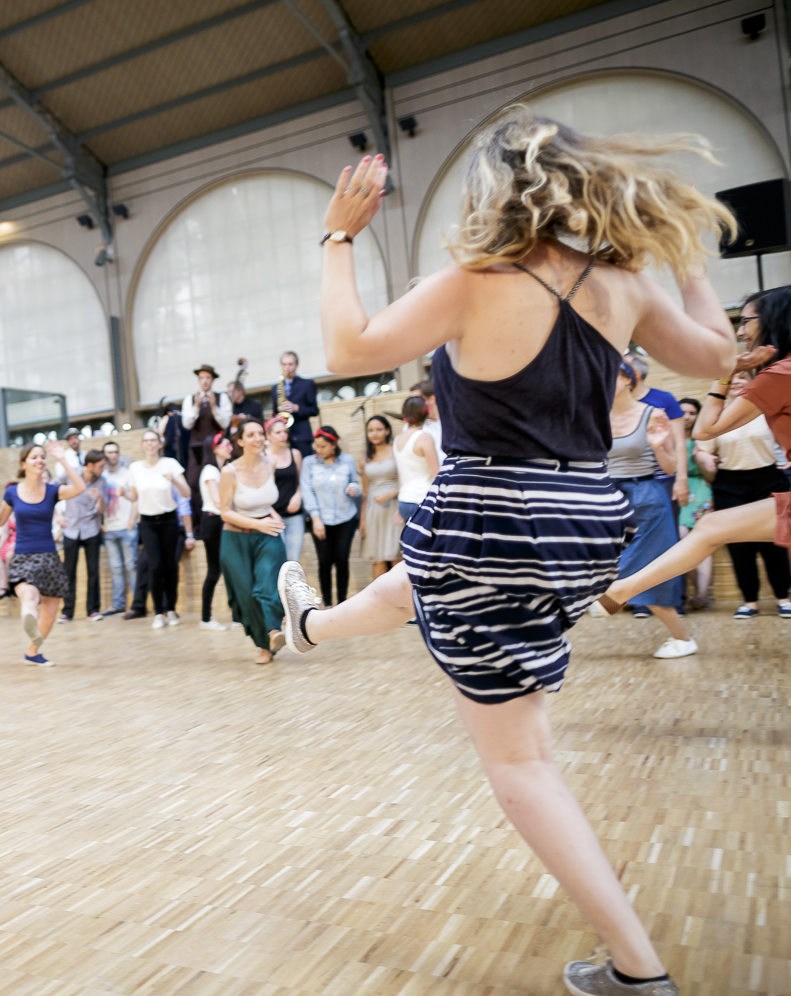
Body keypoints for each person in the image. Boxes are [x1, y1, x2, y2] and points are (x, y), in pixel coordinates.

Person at [279, 113, 739, 993]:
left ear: (493, 190)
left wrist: (339, 237)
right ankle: (313, 626)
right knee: (424, 587)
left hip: (492, 512)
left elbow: (346, 348)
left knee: (519, 760)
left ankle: (639, 974)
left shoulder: (476, 279)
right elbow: (716, 354)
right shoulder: (626, 283)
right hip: (578, 526)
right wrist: (681, 260)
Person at [597, 286, 791, 619]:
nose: (740, 331)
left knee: (711, 527)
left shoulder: (780, 374)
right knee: (711, 527)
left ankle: (622, 589)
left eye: (746, 321)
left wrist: (726, 374)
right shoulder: (779, 373)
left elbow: (704, 429)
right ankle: (622, 589)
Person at [607, 363, 697, 657]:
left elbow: (670, 466)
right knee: (585, 565)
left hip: (646, 496)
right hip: (607, 498)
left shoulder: (652, 414)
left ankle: (682, 639)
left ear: (625, 378)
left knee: (649, 571)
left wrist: (659, 447)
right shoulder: (594, 417)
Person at [0, 441, 87, 664]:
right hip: (24, 556)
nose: (40, 460)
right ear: (23, 463)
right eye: (34, 457)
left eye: (43, 457)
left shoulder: (53, 491)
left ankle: (32, 651)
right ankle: (28, 616)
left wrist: (62, 458)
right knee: (29, 594)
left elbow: (80, 487)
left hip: (49, 558)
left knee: (51, 615)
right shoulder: (12, 492)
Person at [695, 373, 790, 617]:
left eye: (743, 379)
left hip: (768, 480)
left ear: (752, 383)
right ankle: (749, 602)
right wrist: (705, 458)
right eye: (732, 379)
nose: (737, 382)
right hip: (730, 485)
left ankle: (782, 597)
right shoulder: (717, 418)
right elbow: (702, 449)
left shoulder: (765, 411)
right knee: (739, 546)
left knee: (774, 543)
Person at [216, 420, 288, 663]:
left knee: (268, 586)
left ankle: (273, 632)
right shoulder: (229, 471)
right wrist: (258, 523)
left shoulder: (272, 462)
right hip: (236, 539)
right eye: (250, 434)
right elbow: (225, 512)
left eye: (260, 433)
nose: (257, 438)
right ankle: (264, 644)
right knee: (247, 595)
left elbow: (265, 501)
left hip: (268, 534)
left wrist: (273, 517)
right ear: (240, 441)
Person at [125, 428, 191, 627]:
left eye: (153, 440)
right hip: (147, 523)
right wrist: (123, 494)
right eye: (146, 441)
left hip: (169, 520)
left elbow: (186, 493)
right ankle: (158, 612)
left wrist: (176, 480)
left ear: (160, 443)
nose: (150, 444)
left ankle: (171, 609)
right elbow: (135, 497)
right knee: (155, 567)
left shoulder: (170, 464)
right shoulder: (135, 468)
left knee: (170, 566)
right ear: (143, 445)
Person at [302, 426, 361, 606]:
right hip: (321, 519)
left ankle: (342, 602)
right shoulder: (309, 463)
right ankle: (327, 603)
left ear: (333, 445)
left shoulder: (347, 460)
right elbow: (307, 491)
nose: (318, 451)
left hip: (346, 517)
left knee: (342, 560)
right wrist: (315, 518)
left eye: (322, 447)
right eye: (316, 446)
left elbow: (355, 483)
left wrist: (354, 488)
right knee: (325, 561)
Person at [626, 354, 690, 512]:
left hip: (664, 480)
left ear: (636, 374)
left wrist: (681, 479)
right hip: (627, 479)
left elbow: (680, 442)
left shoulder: (665, 399)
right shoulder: (613, 403)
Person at [674, 397, 715, 609]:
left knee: (704, 541)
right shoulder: (671, 439)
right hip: (679, 491)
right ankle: (699, 590)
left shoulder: (704, 439)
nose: (687, 417)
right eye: (683, 413)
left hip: (700, 490)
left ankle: (701, 594)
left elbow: (712, 474)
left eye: (692, 413)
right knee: (682, 538)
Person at [59, 450, 107, 622]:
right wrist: (57, 516)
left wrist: (100, 497)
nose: (103, 469)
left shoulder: (102, 481)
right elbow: (51, 491)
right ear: (90, 466)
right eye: (101, 466)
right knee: (68, 572)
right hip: (71, 529)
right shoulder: (70, 475)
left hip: (91, 529)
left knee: (93, 571)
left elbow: (102, 509)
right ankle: (67, 611)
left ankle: (93, 610)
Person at [197, 431, 237, 631]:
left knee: (230, 568)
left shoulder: (222, 470)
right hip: (213, 523)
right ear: (215, 449)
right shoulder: (210, 471)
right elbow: (216, 500)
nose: (230, 447)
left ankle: (237, 615)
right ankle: (205, 618)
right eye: (226, 444)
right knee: (214, 571)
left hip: (222, 521)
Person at [181, 365, 232, 520]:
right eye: (202, 378)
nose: (204, 381)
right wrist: (196, 406)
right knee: (194, 482)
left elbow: (225, 423)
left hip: (215, 447)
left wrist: (214, 407)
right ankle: (197, 523)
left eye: (208, 378)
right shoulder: (190, 399)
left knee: (217, 479)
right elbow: (186, 424)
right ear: (198, 380)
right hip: (196, 447)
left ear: (212, 380)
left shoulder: (221, 398)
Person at [359, 415, 400, 578]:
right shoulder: (365, 456)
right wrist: (362, 520)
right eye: (370, 430)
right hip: (373, 510)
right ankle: (382, 602)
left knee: (397, 557)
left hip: (395, 507)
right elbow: (365, 490)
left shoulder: (396, 449)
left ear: (387, 431)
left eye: (378, 429)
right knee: (378, 559)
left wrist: (391, 494)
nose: (374, 434)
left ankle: (403, 601)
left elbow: (408, 480)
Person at [98, 440, 136, 618]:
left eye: (114, 452)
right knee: (115, 568)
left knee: (131, 565)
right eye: (108, 452)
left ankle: (137, 603)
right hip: (109, 528)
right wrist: (100, 523)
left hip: (126, 526)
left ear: (119, 454)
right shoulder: (101, 476)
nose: (111, 455)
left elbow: (136, 498)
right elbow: (96, 501)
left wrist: (132, 521)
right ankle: (118, 604)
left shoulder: (127, 474)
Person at [264, 415, 306, 566]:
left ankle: (293, 590)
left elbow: (302, 482)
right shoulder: (264, 458)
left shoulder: (295, 454)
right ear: (268, 435)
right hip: (273, 516)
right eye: (278, 432)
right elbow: (262, 490)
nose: (283, 435)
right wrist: (272, 513)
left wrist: (298, 496)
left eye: (285, 432)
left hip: (294, 515)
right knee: (278, 561)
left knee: (293, 561)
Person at [394, 396, 440, 523]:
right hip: (423, 499)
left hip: (404, 500)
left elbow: (401, 475)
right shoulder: (424, 437)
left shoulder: (398, 439)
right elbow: (437, 474)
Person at [271, 351, 320, 457]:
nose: (287, 368)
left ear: (296, 365)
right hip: (282, 436)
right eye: (284, 364)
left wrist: (297, 408)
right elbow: (274, 413)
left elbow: (314, 410)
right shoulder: (275, 388)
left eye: (290, 364)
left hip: (301, 435)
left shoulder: (307, 384)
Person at [410, 379, 445, 461]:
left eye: (417, 400)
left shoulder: (451, 420)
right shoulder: (413, 427)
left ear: (432, 399)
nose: (412, 404)